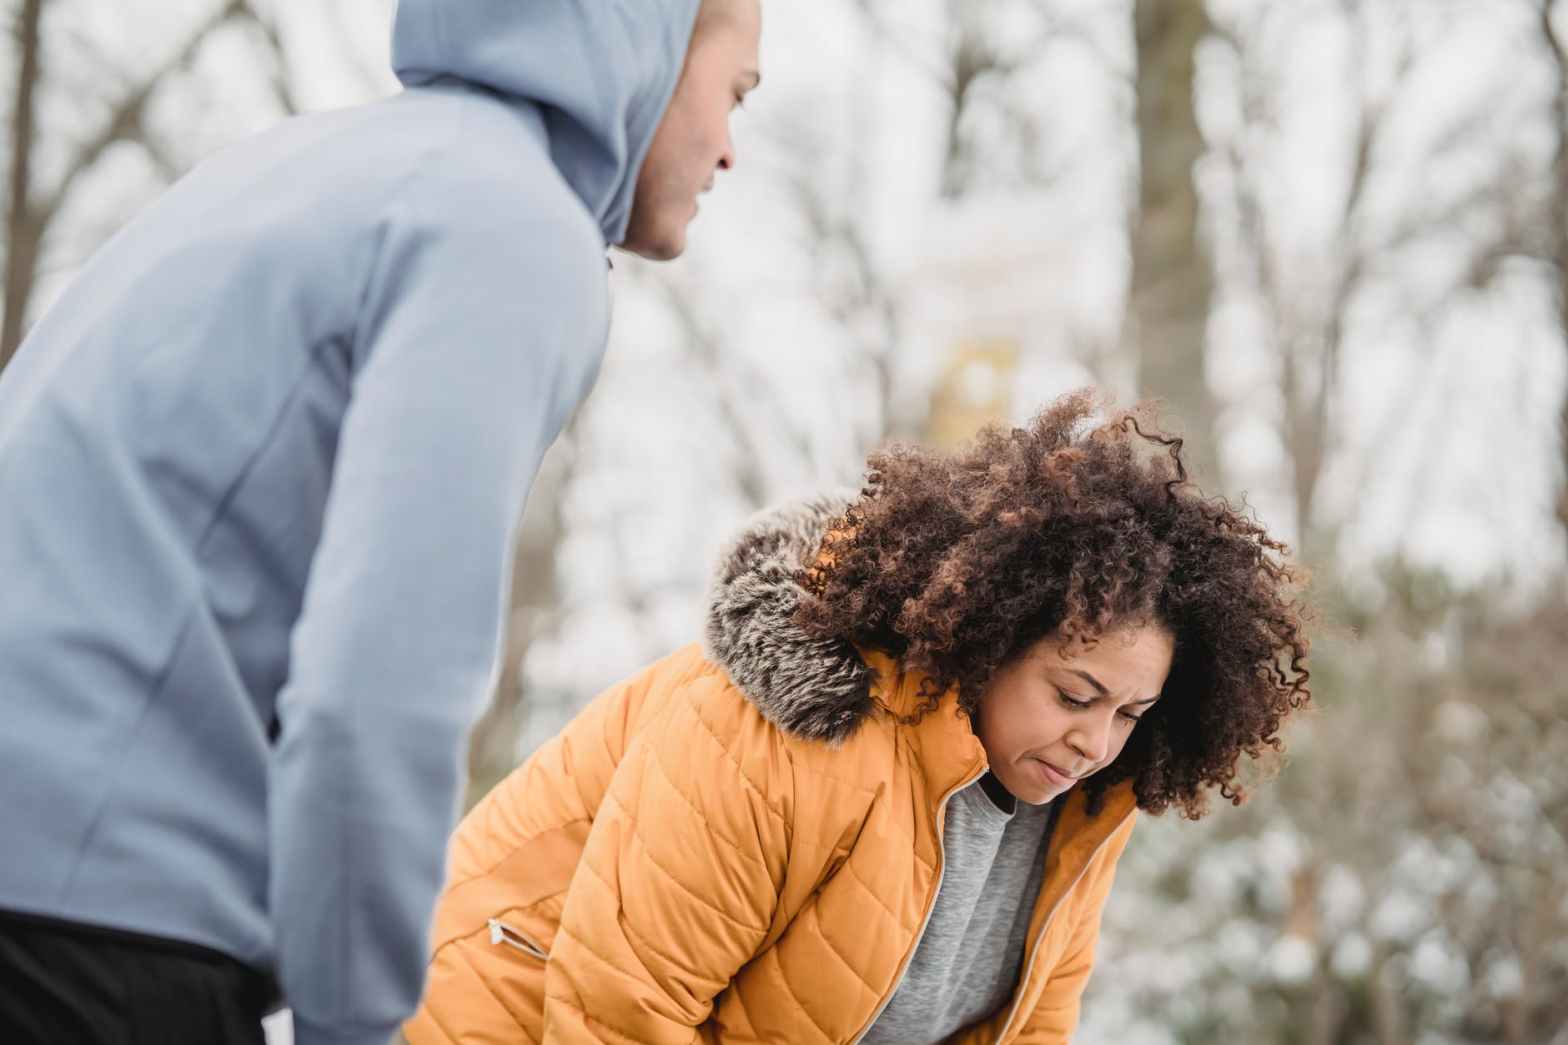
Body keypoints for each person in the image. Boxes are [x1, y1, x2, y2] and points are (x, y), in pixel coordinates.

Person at [0, 2, 762, 1043]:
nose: (728, 151)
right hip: (95, 929)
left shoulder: (296, 167)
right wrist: (351, 1023)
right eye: (733, 92)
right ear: (648, 40)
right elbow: (377, 691)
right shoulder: (504, 225)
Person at [404, 391, 1313, 1044]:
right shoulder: (787, 731)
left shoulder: (1082, 799)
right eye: (1074, 694)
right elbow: (618, 1011)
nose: (1097, 739)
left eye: (1132, 713)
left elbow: (1027, 1029)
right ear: (986, 639)